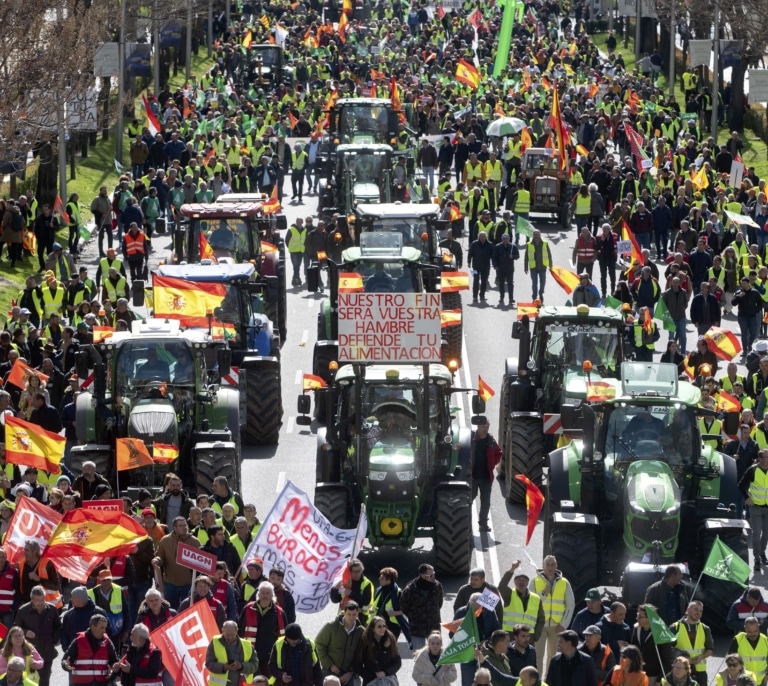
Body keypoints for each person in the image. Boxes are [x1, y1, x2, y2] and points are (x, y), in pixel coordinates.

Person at [530, 556, 575, 676]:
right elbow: (530, 603)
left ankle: (548, 681)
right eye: (547, 565)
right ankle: (538, 681)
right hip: (539, 625)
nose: (550, 567)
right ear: (543, 566)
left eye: (552, 565)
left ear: (556, 566)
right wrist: (544, 593)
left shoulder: (564, 583)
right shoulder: (534, 581)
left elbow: (570, 605)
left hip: (557, 627)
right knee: (538, 655)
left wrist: (564, 625)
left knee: (553, 656)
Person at [239, 581, 287, 677]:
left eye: (268, 593)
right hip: (250, 652)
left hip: (270, 655)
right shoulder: (248, 608)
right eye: (263, 593)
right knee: (250, 681)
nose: (265, 596)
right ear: (258, 594)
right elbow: (240, 630)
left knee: (267, 681)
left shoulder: (279, 613)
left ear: (272, 595)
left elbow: (285, 636)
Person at [151, 516, 201, 609]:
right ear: (174, 528)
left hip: (188, 583)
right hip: (170, 583)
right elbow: (160, 556)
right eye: (181, 525)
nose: (184, 527)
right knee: (171, 609)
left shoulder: (194, 541)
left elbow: (200, 561)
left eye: (185, 525)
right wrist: (157, 560)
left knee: (187, 609)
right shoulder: (165, 540)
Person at [315, 600, 364, 681]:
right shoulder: (331, 627)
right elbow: (319, 644)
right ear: (344, 612)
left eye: (354, 614)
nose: (351, 617)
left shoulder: (361, 631)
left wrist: (351, 672)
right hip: (329, 671)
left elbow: (361, 654)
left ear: (358, 614)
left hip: (348, 675)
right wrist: (330, 665)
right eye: (349, 614)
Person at [61, 614, 117, 684]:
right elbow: (65, 660)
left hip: (101, 683)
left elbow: (114, 661)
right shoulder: (79, 641)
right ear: (93, 627)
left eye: (105, 628)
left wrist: (113, 669)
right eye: (102, 628)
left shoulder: (107, 642)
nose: (104, 631)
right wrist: (65, 665)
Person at [400, 564, 443, 650]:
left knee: (436, 653)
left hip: (434, 626)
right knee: (419, 656)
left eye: (434, 574)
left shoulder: (437, 586)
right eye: (431, 575)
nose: (433, 577)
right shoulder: (410, 589)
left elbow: (440, 603)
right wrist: (414, 616)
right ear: (422, 576)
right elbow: (404, 607)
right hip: (417, 628)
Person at [88, 569, 131, 654]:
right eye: (104, 580)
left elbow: (126, 611)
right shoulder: (92, 592)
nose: (106, 582)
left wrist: (126, 630)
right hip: (98, 630)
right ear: (99, 580)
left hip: (116, 630)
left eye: (108, 580)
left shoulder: (119, 590)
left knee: (114, 654)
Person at [670, 601, 713, 686]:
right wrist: (683, 659)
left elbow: (710, 649)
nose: (698, 613)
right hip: (681, 672)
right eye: (696, 610)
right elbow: (667, 650)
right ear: (688, 609)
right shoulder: (675, 627)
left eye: (701, 611)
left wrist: (701, 657)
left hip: (700, 672)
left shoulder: (705, 629)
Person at [498, 562, 544, 640]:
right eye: (519, 579)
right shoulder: (509, 594)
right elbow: (501, 586)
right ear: (515, 582)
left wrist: (536, 635)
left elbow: (541, 619)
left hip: (528, 636)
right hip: (511, 635)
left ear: (527, 582)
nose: (521, 582)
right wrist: (512, 570)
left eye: (524, 580)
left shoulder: (536, 598)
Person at [738, 449, 768, 571]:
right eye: (764, 457)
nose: (766, 460)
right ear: (760, 459)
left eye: (767, 457)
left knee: (766, 534)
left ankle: (762, 553)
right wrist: (747, 498)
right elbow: (740, 485)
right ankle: (756, 559)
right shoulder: (753, 470)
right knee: (756, 534)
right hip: (755, 506)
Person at [470, 418, 502, 532]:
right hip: (472, 477)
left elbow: (499, 453)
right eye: (483, 427)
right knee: (468, 500)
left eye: (487, 427)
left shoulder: (490, 440)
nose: (485, 429)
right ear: (478, 427)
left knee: (486, 502)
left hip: (486, 478)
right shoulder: (471, 439)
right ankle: (466, 524)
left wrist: (493, 463)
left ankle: (483, 524)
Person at [205, 620, 259, 686]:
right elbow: (209, 663)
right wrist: (224, 667)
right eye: (227, 635)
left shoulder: (247, 645)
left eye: (232, 635)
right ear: (222, 630)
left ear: (237, 630)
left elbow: (255, 665)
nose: (230, 637)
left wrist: (241, 666)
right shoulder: (214, 642)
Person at [358, 617, 402, 686]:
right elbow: (357, 663)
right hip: (371, 681)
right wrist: (370, 676)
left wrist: (385, 673)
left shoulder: (390, 639)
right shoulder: (365, 641)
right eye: (379, 627)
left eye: (384, 626)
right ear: (373, 629)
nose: (382, 629)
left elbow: (397, 662)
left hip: (388, 680)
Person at [330, 558, 374, 623]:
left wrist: (351, 593)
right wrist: (335, 589)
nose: (357, 574)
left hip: (361, 617)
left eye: (359, 571)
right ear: (350, 572)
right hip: (343, 616)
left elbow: (366, 601)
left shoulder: (367, 583)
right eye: (354, 572)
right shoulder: (345, 582)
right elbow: (335, 600)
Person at [371, 567, 408, 641]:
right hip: (378, 624)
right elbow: (375, 605)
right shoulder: (379, 590)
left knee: (390, 648)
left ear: (389, 580)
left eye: (382, 578)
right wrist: (372, 609)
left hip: (392, 627)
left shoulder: (398, 592)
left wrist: (394, 613)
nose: (379, 579)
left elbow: (407, 610)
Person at [727, 617, 768, 683]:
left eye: (755, 631)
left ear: (758, 627)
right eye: (749, 632)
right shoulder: (738, 640)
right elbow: (730, 661)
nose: (752, 634)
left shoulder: (765, 640)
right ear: (745, 628)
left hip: (761, 681)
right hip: (743, 682)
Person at [524, 231, 552, 302]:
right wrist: (526, 267)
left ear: (540, 235)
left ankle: (541, 293)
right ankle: (534, 297)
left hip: (542, 267)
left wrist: (550, 265)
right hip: (533, 267)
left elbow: (549, 255)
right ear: (533, 236)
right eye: (535, 235)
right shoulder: (529, 244)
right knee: (534, 283)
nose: (536, 236)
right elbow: (526, 257)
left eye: (537, 234)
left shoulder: (545, 243)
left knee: (543, 282)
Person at [492, 233, 518, 307]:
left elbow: (517, 256)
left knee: (510, 284)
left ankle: (511, 298)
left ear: (509, 239)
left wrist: (512, 256)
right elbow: (494, 257)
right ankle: (501, 297)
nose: (505, 240)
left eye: (506, 238)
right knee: (501, 284)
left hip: (510, 269)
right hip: (500, 269)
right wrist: (495, 266)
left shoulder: (513, 246)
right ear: (501, 239)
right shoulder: (497, 247)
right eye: (504, 238)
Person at [468, 231, 494, 303]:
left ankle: (482, 295)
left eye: (484, 236)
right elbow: (470, 253)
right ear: (478, 236)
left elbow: (493, 255)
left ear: (486, 237)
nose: (482, 237)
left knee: (484, 281)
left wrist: (495, 264)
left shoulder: (490, 244)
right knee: (475, 281)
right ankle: (474, 296)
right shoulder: (474, 244)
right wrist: (469, 262)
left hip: (486, 267)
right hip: (475, 266)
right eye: (481, 236)